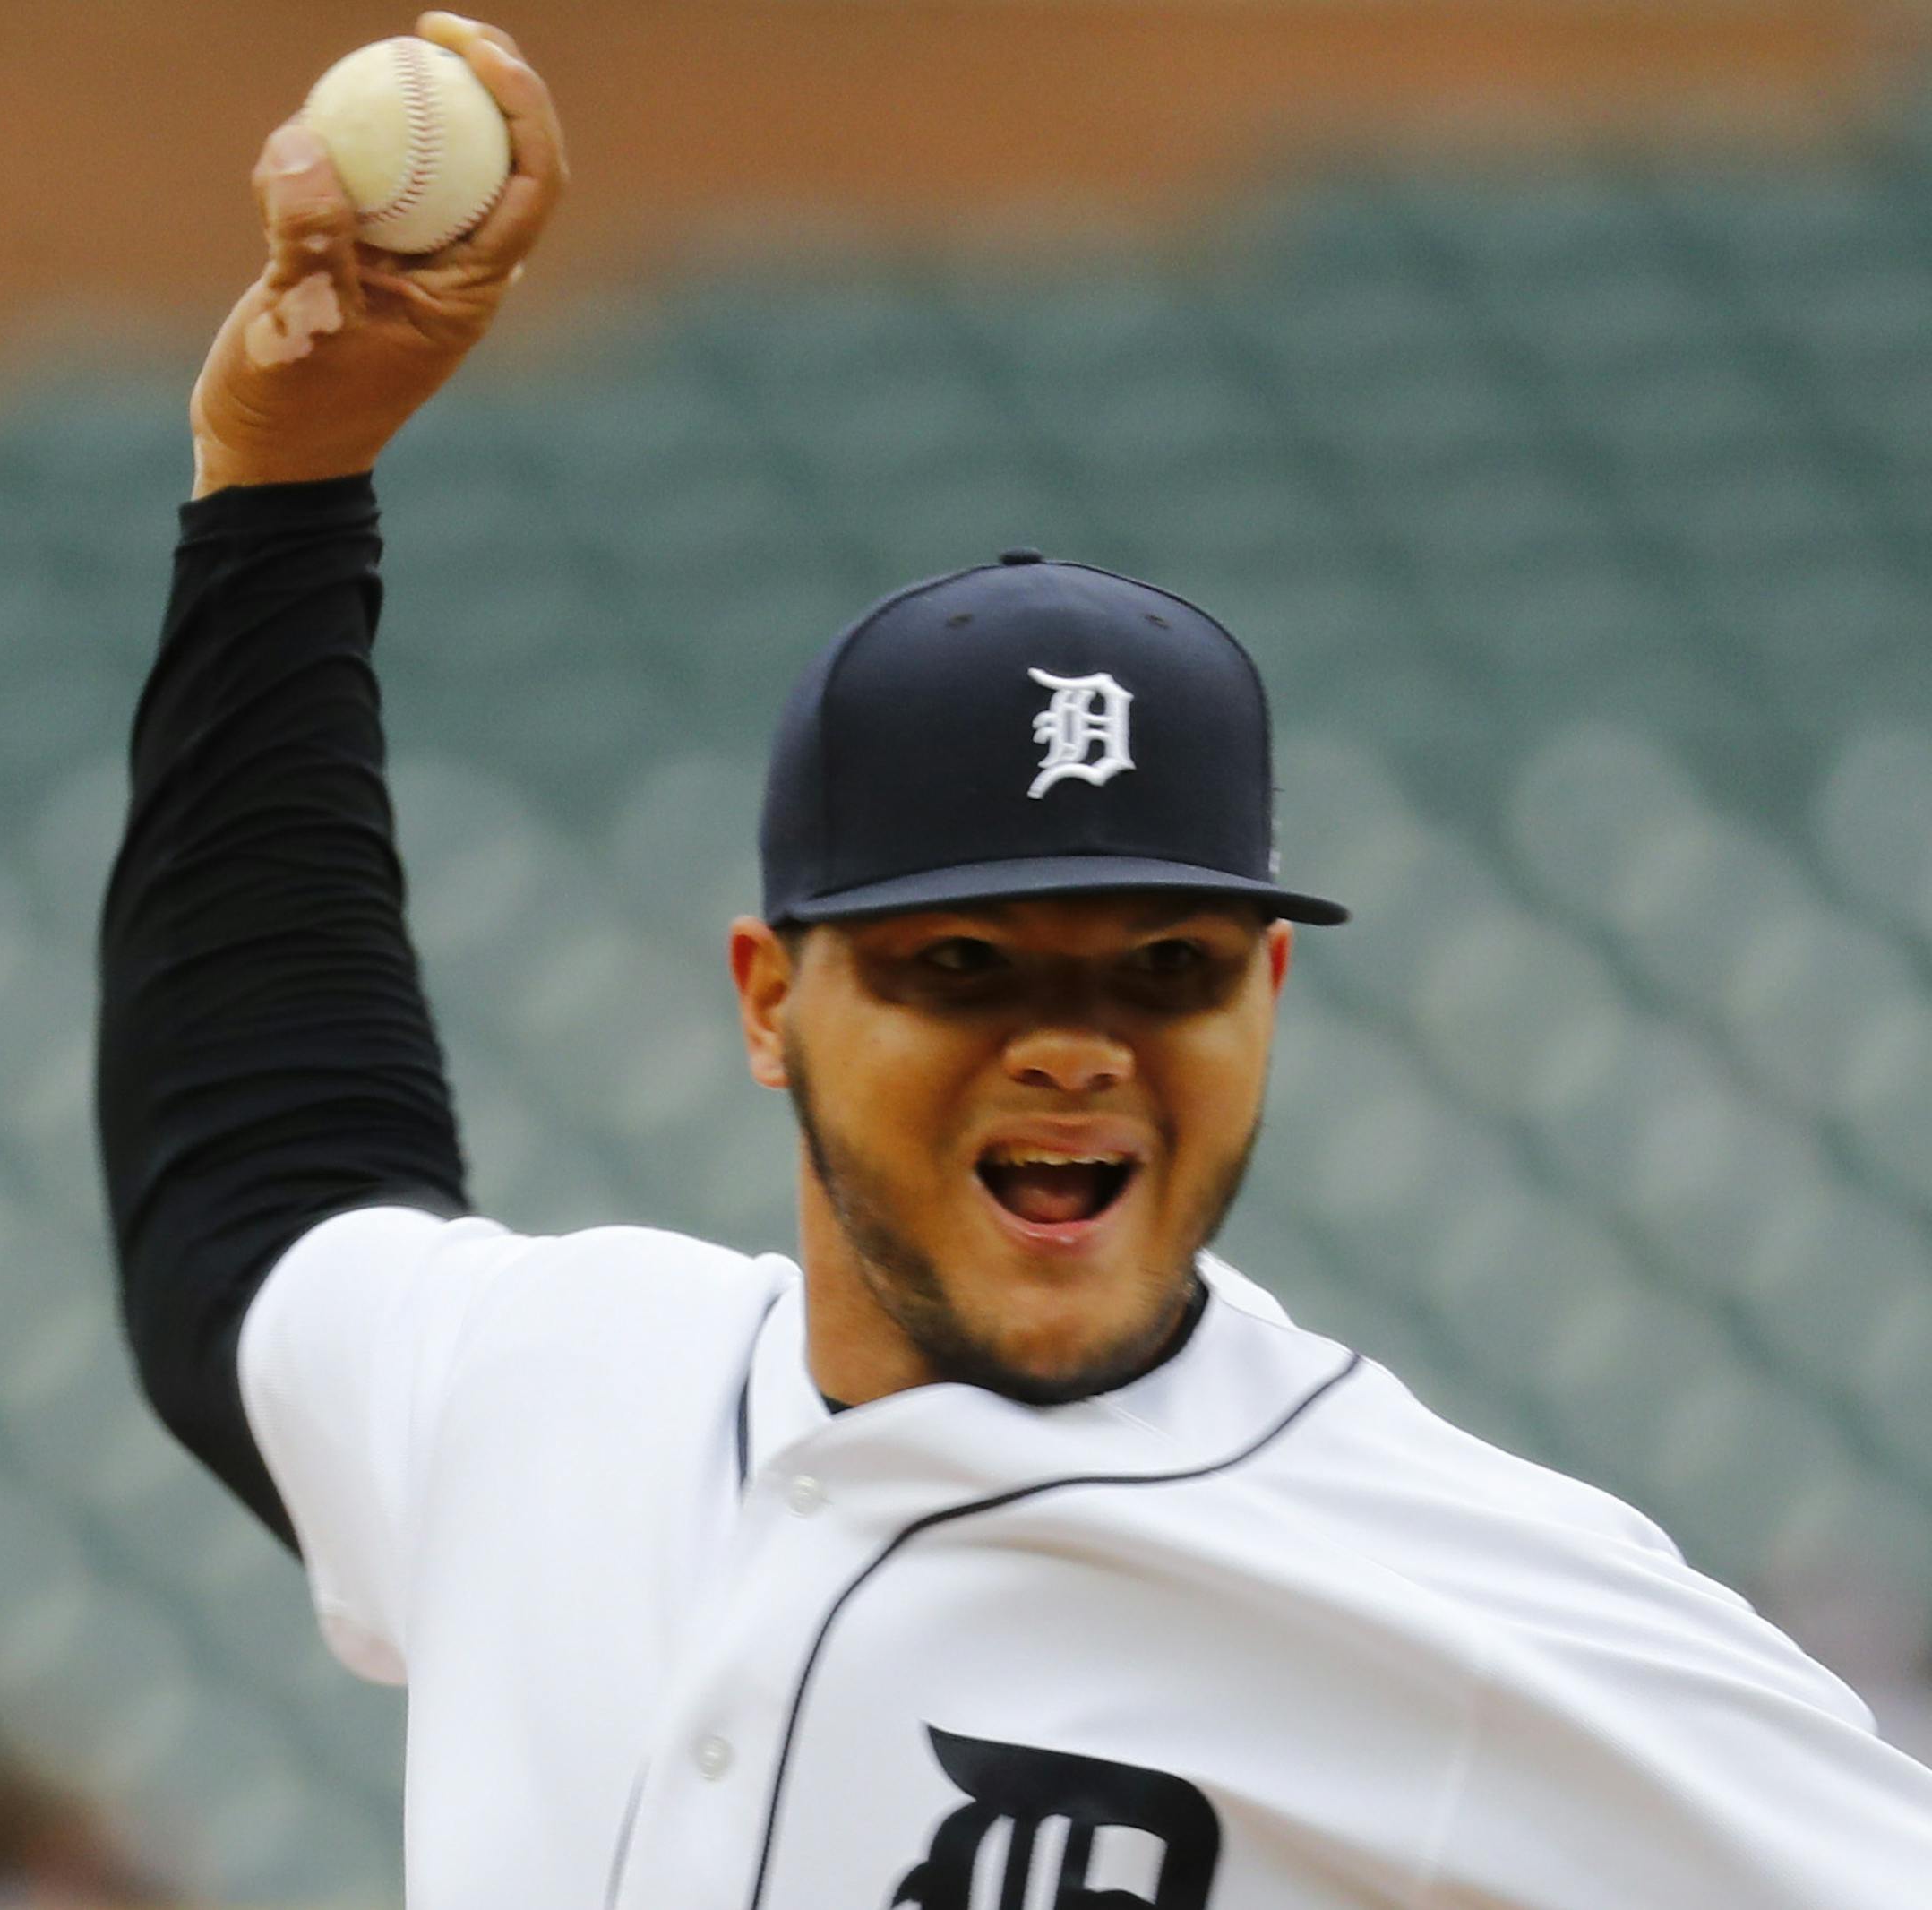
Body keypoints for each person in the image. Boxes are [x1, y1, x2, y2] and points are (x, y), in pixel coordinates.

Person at [95, 13, 1932, 1908]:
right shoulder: (559, 1393)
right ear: (766, 1000)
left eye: (1167, 965)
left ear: (1266, 1004)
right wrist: (280, 486)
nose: (1077, 1042)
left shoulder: (1466, 1600)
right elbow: (250, 1204)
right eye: (963, 962)